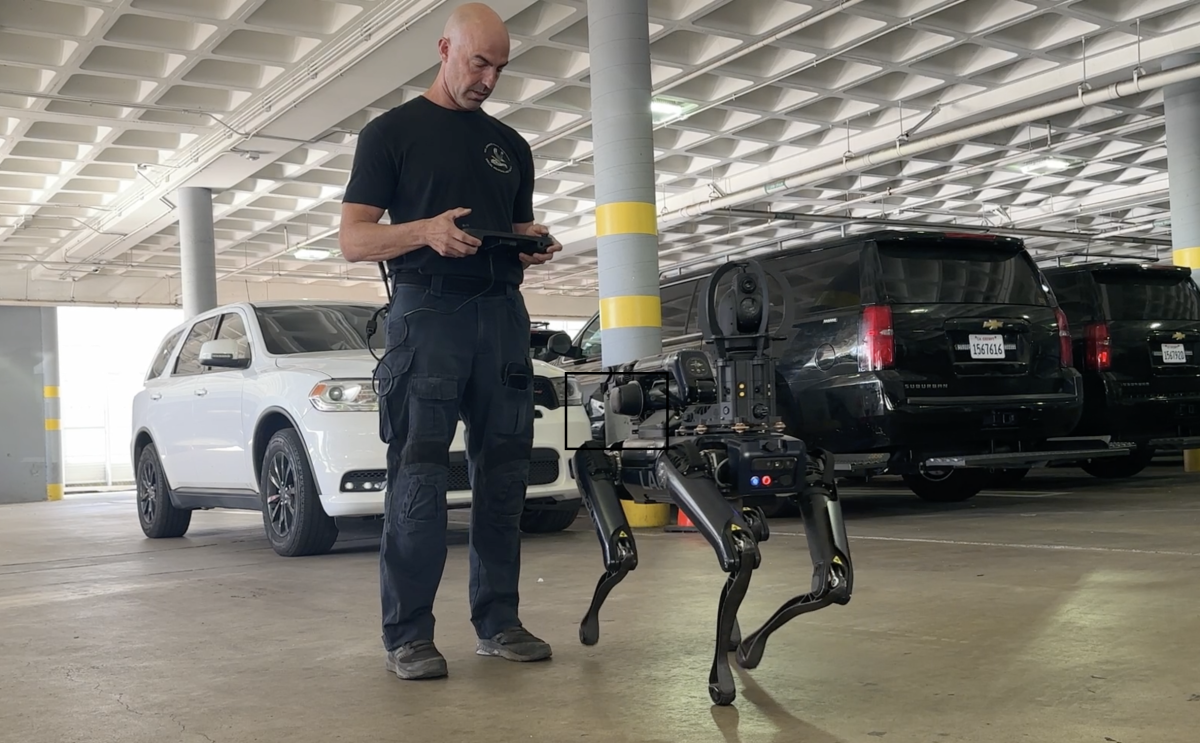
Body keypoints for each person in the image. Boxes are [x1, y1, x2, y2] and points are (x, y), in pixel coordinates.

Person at [338, 2, 562, 681]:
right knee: (421, 474)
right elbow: (353, 238)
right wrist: (424, 231)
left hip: (501, 314)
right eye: (478, 63)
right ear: (444, 49)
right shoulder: (391, 134)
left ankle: (498, 619)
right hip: (426, 314)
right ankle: (408, 633)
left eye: (499, 67)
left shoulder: (511, 148)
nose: (489, 79)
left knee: (504, 472)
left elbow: (517, 230)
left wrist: (534, 245)